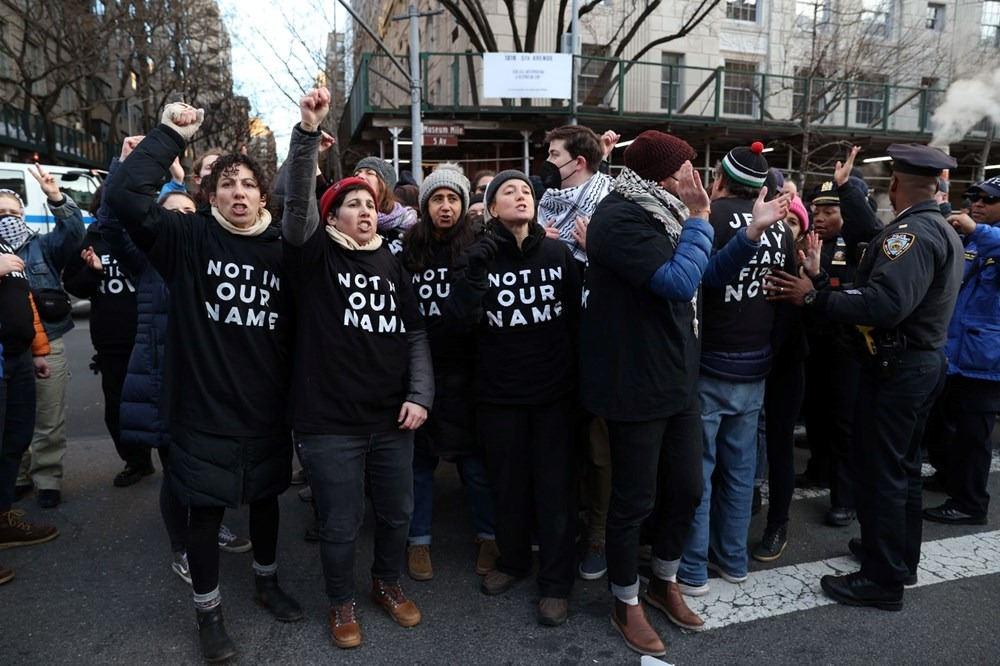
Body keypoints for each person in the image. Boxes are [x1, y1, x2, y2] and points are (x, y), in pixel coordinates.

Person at [106, 104, 300, 662]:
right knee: (207, 512)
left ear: (264, 197)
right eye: (227, 184)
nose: (239, 192)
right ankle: (208, 613)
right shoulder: (185, 239)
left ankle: (266, 582)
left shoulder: (281, 250)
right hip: (200, 407)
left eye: (249, 184)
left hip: (264, 407)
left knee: (266, 500)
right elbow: (124, 197)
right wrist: (171, 135)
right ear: (210, 194)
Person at [767, 143, 964, 610]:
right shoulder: (938, 227)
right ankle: (895, 557)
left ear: (895, 184)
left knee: (884, 474)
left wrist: (813, 297)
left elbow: (884, 304)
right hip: (919, 363)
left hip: (899, 368)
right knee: (903, 470)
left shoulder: (912, 235)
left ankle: (882, 579)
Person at [282, 89, 433, 650]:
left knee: (396, 514)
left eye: (372, 204)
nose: (366, 210)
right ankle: (341, 601)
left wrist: (420, 394)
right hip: (328, 423)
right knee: (341, 524)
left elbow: (414, 333)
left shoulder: (391, 260)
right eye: (352, 203)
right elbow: (297, 206)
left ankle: (386, 584)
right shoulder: (314, 253)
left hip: (391, 419)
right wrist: (306, 138)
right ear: (333, 214)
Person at [581, 130, 716, 656]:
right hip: (634, 382)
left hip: (678, 378)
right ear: (663, 174)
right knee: (634, 499)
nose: (695, 177)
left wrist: (749, 237)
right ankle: (625, 599)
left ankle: (663, 580)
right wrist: (702, 218)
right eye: (687, 167)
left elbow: (704, 276)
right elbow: (678, 282)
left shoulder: (668, 211)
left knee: (686, 488)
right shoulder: (620, 217)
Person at [105, 143, 253, 588]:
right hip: (162, 381)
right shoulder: (147, 261)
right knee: (176, 472)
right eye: (175, 212)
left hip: (204, 382)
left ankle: (209, 524)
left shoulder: (209, 255)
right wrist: (126, 165)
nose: (184, 218)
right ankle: (181, 546)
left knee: (207, 464)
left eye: (191, 210)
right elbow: (115, 220)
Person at [450, 169, 581, 627]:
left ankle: (556, 583)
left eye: (526, 190)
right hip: (498, 395)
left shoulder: (558, 253)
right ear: (490, 209)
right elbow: (458, 322)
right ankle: (512, 562)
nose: (521, 195)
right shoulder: (475, 256)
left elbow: (576, 323)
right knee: (507, 487)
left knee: (554, 490)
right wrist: (475, 271)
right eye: (508, 191)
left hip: (554, 396)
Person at [677, 142, 794, 596]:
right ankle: (733, 559)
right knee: (741, 469)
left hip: (711, 363)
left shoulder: (708, 217)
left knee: (700, 470)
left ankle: (691, 569)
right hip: (756, 363)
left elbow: (698, 278)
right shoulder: (781, 230)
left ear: (720, 180)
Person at [400, 166, 497, 582]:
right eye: (437, 199)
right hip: (421, 369)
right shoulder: (408, 250)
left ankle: (488, 535)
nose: (445, 206)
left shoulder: (478, 246)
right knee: (419, 462)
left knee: (473, 461)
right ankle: (418, 539)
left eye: (453, 199)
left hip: (467, 369)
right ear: (424, 207)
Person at [536, 125, 617, 580]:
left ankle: (598, 536)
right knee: (560, 442)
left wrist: (592, 249)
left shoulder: (609, 204)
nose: (546, 163)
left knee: (598, 447)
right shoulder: (543, 202)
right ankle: (559, 527)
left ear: (578, 163)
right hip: (551, 340)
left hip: (596, 339)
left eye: (553, 155)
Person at [797, 147, 883, 529]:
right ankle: (818, 469)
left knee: (844, 423)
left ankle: (844, 498)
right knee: (816, 412)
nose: (819, 216)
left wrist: (848, 188)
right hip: (816, 342)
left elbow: (868, 228)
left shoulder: (863, 244)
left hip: (849, 347)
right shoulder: (810, 242)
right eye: (816, 210)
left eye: (829, 210)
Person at [2, 170, 85, 510]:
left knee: (49, 417)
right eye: (0, 214)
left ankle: (47, 478)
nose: (8, 219)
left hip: (47, 342)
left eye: (13, 213)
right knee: (12, 420)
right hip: (10, 351)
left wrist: (56, 198)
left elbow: (75, 233)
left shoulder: (43, 244)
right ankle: (16, 478)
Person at [921, 176, 1000, 525]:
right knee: (939, 426)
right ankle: (947, 476)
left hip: (985, 360)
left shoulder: (987, 238)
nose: (977, 205)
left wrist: (976, 231)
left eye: (988, 200)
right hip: (953, 352)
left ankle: (970, 503)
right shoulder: (972, 237)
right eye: (974, 197)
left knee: (973, 437)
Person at [62, 186, 153, 487]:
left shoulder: (145, 233)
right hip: (112, 340)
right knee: (118, 408)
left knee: (161, 403)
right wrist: (94, 272)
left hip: (150, 334)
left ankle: (174, 462)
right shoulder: (91, 241)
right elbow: (74, 284)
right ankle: (136, 461)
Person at [753, 198, 812, 562]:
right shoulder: (751, 257)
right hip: (748, 368)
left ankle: (779, 523)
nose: (783, 227)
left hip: (785, 370)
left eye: (791, 222)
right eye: (779, 219)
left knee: (779, 448)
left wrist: (811, 291)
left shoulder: (807, 273)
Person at [0, 236, 59, 571]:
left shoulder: (3, 241)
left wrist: (36, 350)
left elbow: (24, 301)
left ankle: (3, 518)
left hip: (17, 357)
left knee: (14, 442)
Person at [353, 156, 417, 254]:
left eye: (369, 173)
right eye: (356, 174)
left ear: (384, 184)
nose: (360, 176)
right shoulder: (347, 222)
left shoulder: (407, 223)